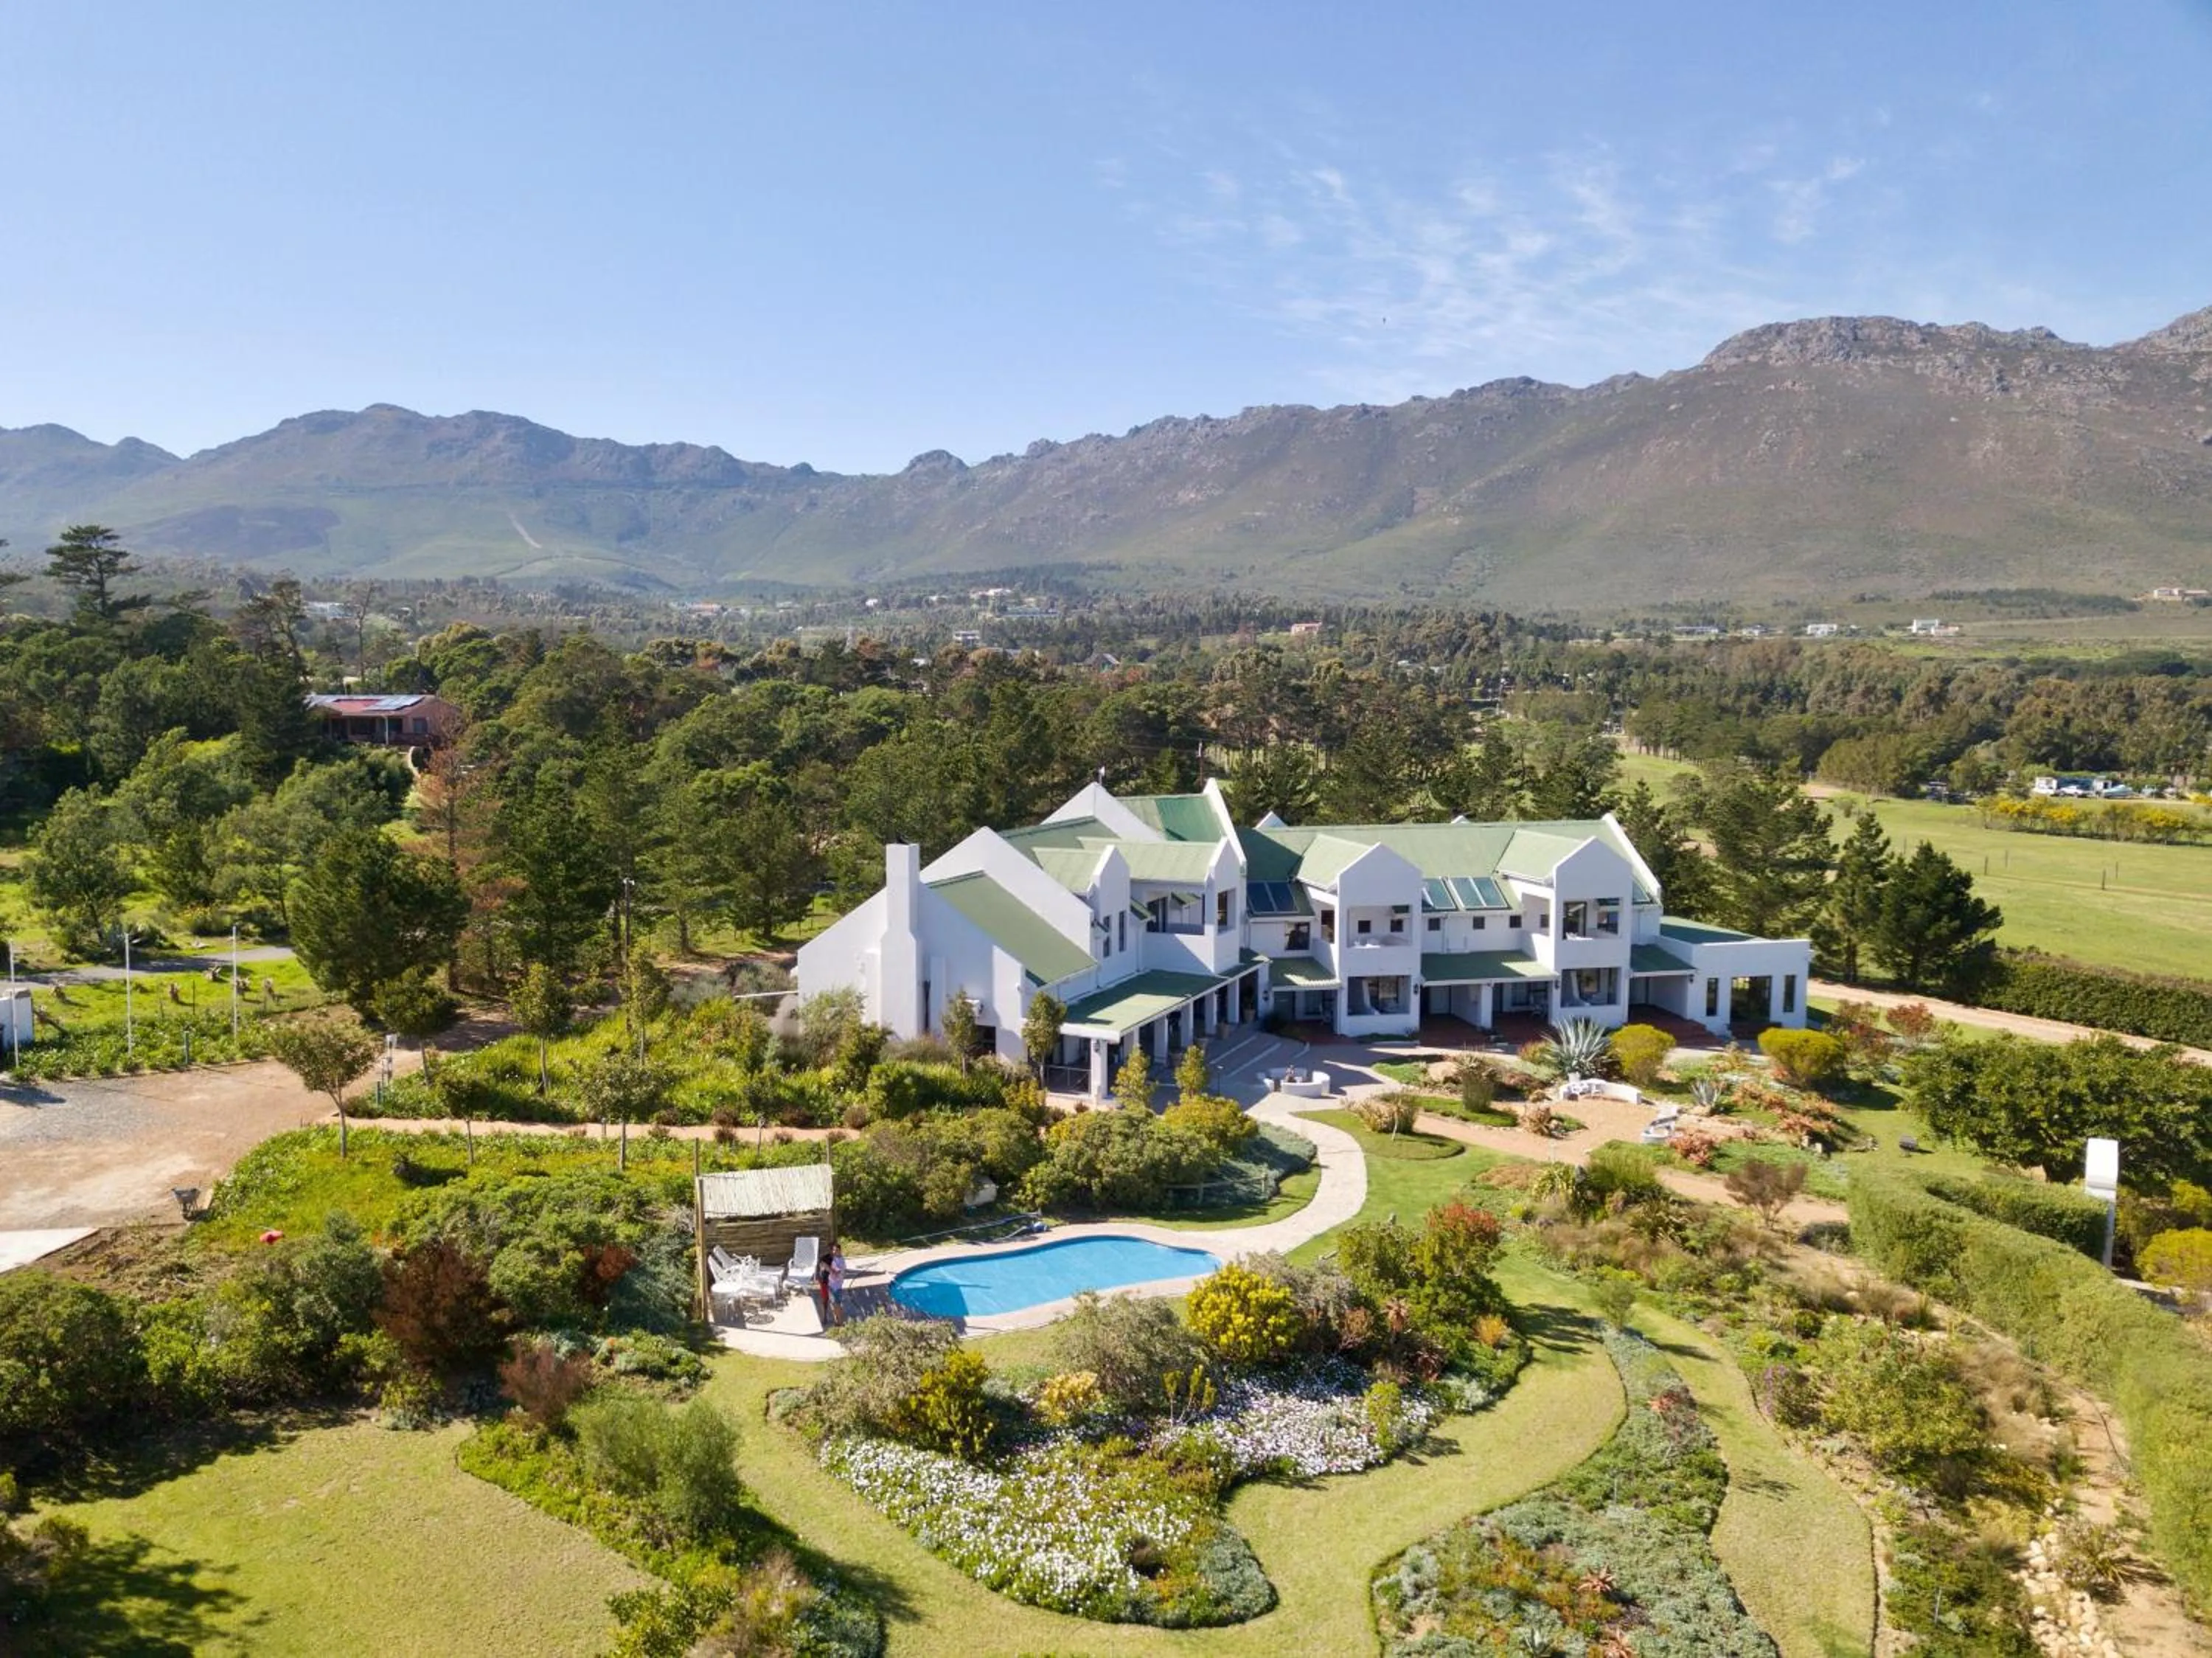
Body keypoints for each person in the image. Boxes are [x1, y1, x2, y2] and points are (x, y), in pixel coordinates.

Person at [826, 1245, 848, 1326]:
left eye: (837, 1250)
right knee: (833, 1304)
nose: (835, 1252)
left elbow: (836, 1273)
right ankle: (837, 1320)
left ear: (840, 1251)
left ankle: (841, 1322)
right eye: (834, 1250)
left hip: (837, 1287)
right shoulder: (834, 1259)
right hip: (831, 1285)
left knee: (837, 1304)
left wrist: (827, 1267)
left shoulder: (841, 1262)